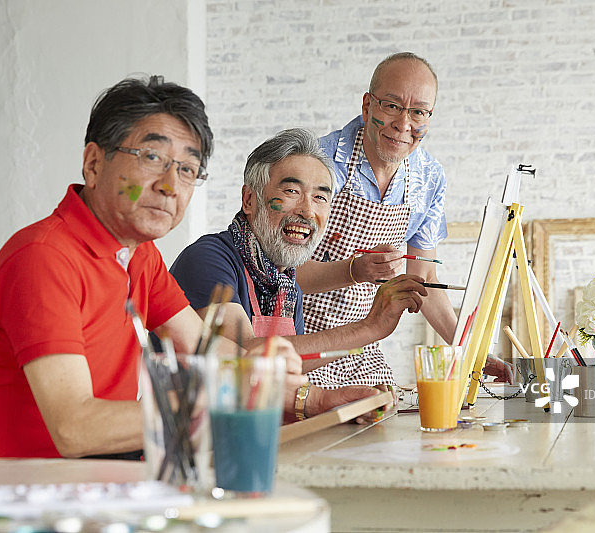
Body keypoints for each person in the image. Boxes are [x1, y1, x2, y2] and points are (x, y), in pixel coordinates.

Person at [0, 76, 364, 459]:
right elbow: (75, 428)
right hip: (26, 499)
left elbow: (211, 350)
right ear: (94, 163)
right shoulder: (43, 258)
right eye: (152, 157)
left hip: (108, 478)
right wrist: (235, 388)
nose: (171, 185)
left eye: (187, 169)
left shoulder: (140, 256)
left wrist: (310, 399)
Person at [170, 128, 428, 423]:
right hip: (194, 448)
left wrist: (350, 395)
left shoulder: (285, 281)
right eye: (292, 192)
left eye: (320, 197)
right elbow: (249, 358)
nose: (307, 211)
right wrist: (369, 328)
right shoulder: (208, 260)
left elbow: (288, 367)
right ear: (249, 200)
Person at [298, 52, 513, 389]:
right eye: (392, 106)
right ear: (368, 106)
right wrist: (356, 270)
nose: (404, 124)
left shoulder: (429, 177)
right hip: (301, 344)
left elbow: (424, 276)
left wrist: (469, 348)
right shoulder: (319, 163)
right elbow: (278, 274)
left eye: (419, 112)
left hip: (360, 351)